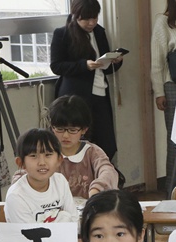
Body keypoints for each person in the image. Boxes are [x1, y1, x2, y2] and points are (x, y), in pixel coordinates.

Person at [12, 96, 118, 208]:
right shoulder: (45, 152)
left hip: (87, 208)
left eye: (72, 130)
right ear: (52, 127)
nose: (65, 135)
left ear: (84, 129)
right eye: (60, 129)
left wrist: (96, 190)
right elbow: (22, 175)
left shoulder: (92, 152)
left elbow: (108, 171)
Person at [51, 0, 124, 160]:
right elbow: (56, 66)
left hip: (100, 92)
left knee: (107, 144)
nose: (91, 23)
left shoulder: (99, 32)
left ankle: (101, 179)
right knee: (77, 143)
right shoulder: (62, 34)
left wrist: (115, 61)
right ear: (76, 16)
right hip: (75, 96)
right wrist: (84, 65)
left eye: (95, 18)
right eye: (86, 19)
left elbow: (105, 65)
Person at [151, 0, 176, 193]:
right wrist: (159, 92)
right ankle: (174, 190)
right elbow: (157, 60)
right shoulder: (163, 21)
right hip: (173, 85)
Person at [4, 128, 78, 224]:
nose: (42, 163)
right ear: (21, 163)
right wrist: (63, 218)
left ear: (59, 160)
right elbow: (30, 236)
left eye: (48, 155)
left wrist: (65, 219)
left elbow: (74, 222)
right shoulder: (16, 196)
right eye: (34, 156)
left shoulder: (60, 181)